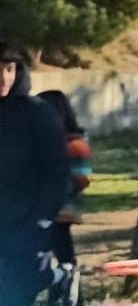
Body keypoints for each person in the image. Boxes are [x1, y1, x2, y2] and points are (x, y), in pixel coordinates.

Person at [0, 44, 75, 306]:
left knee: (13, 296)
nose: (4, 77)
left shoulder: (37, 113)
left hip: (27, 225)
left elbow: (57, 169)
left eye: (9, 69)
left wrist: (45, 216)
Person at [34, 89, 91, 277]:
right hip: (47, 209)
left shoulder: (74, 145)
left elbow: (81, 178)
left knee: (62, 253)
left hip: (59, 209)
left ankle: (69, 288)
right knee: (51, 252)